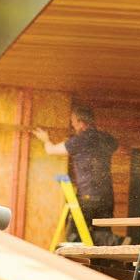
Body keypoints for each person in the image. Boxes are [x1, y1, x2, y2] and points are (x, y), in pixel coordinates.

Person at [32, 105, 119, 246]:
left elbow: (51, 150)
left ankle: (106, 244)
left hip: (88, 195)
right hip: (107, 197)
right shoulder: (106, 138)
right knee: (102, 234)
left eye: (73, 122)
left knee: (74, 236)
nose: (72, 125)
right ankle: (109, 246)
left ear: (80, 122)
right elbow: (115, 144)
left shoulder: (80, 140)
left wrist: (45, 139)